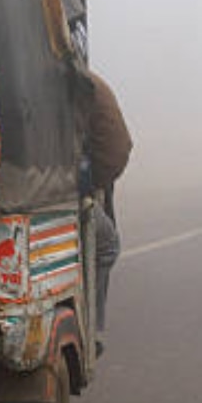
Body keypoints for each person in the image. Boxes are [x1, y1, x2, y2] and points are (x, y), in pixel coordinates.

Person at [84, 70, 132, 350]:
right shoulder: (80, 77)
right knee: (107, 245)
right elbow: (118, 147)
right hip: (64, 187)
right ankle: (90, 330)